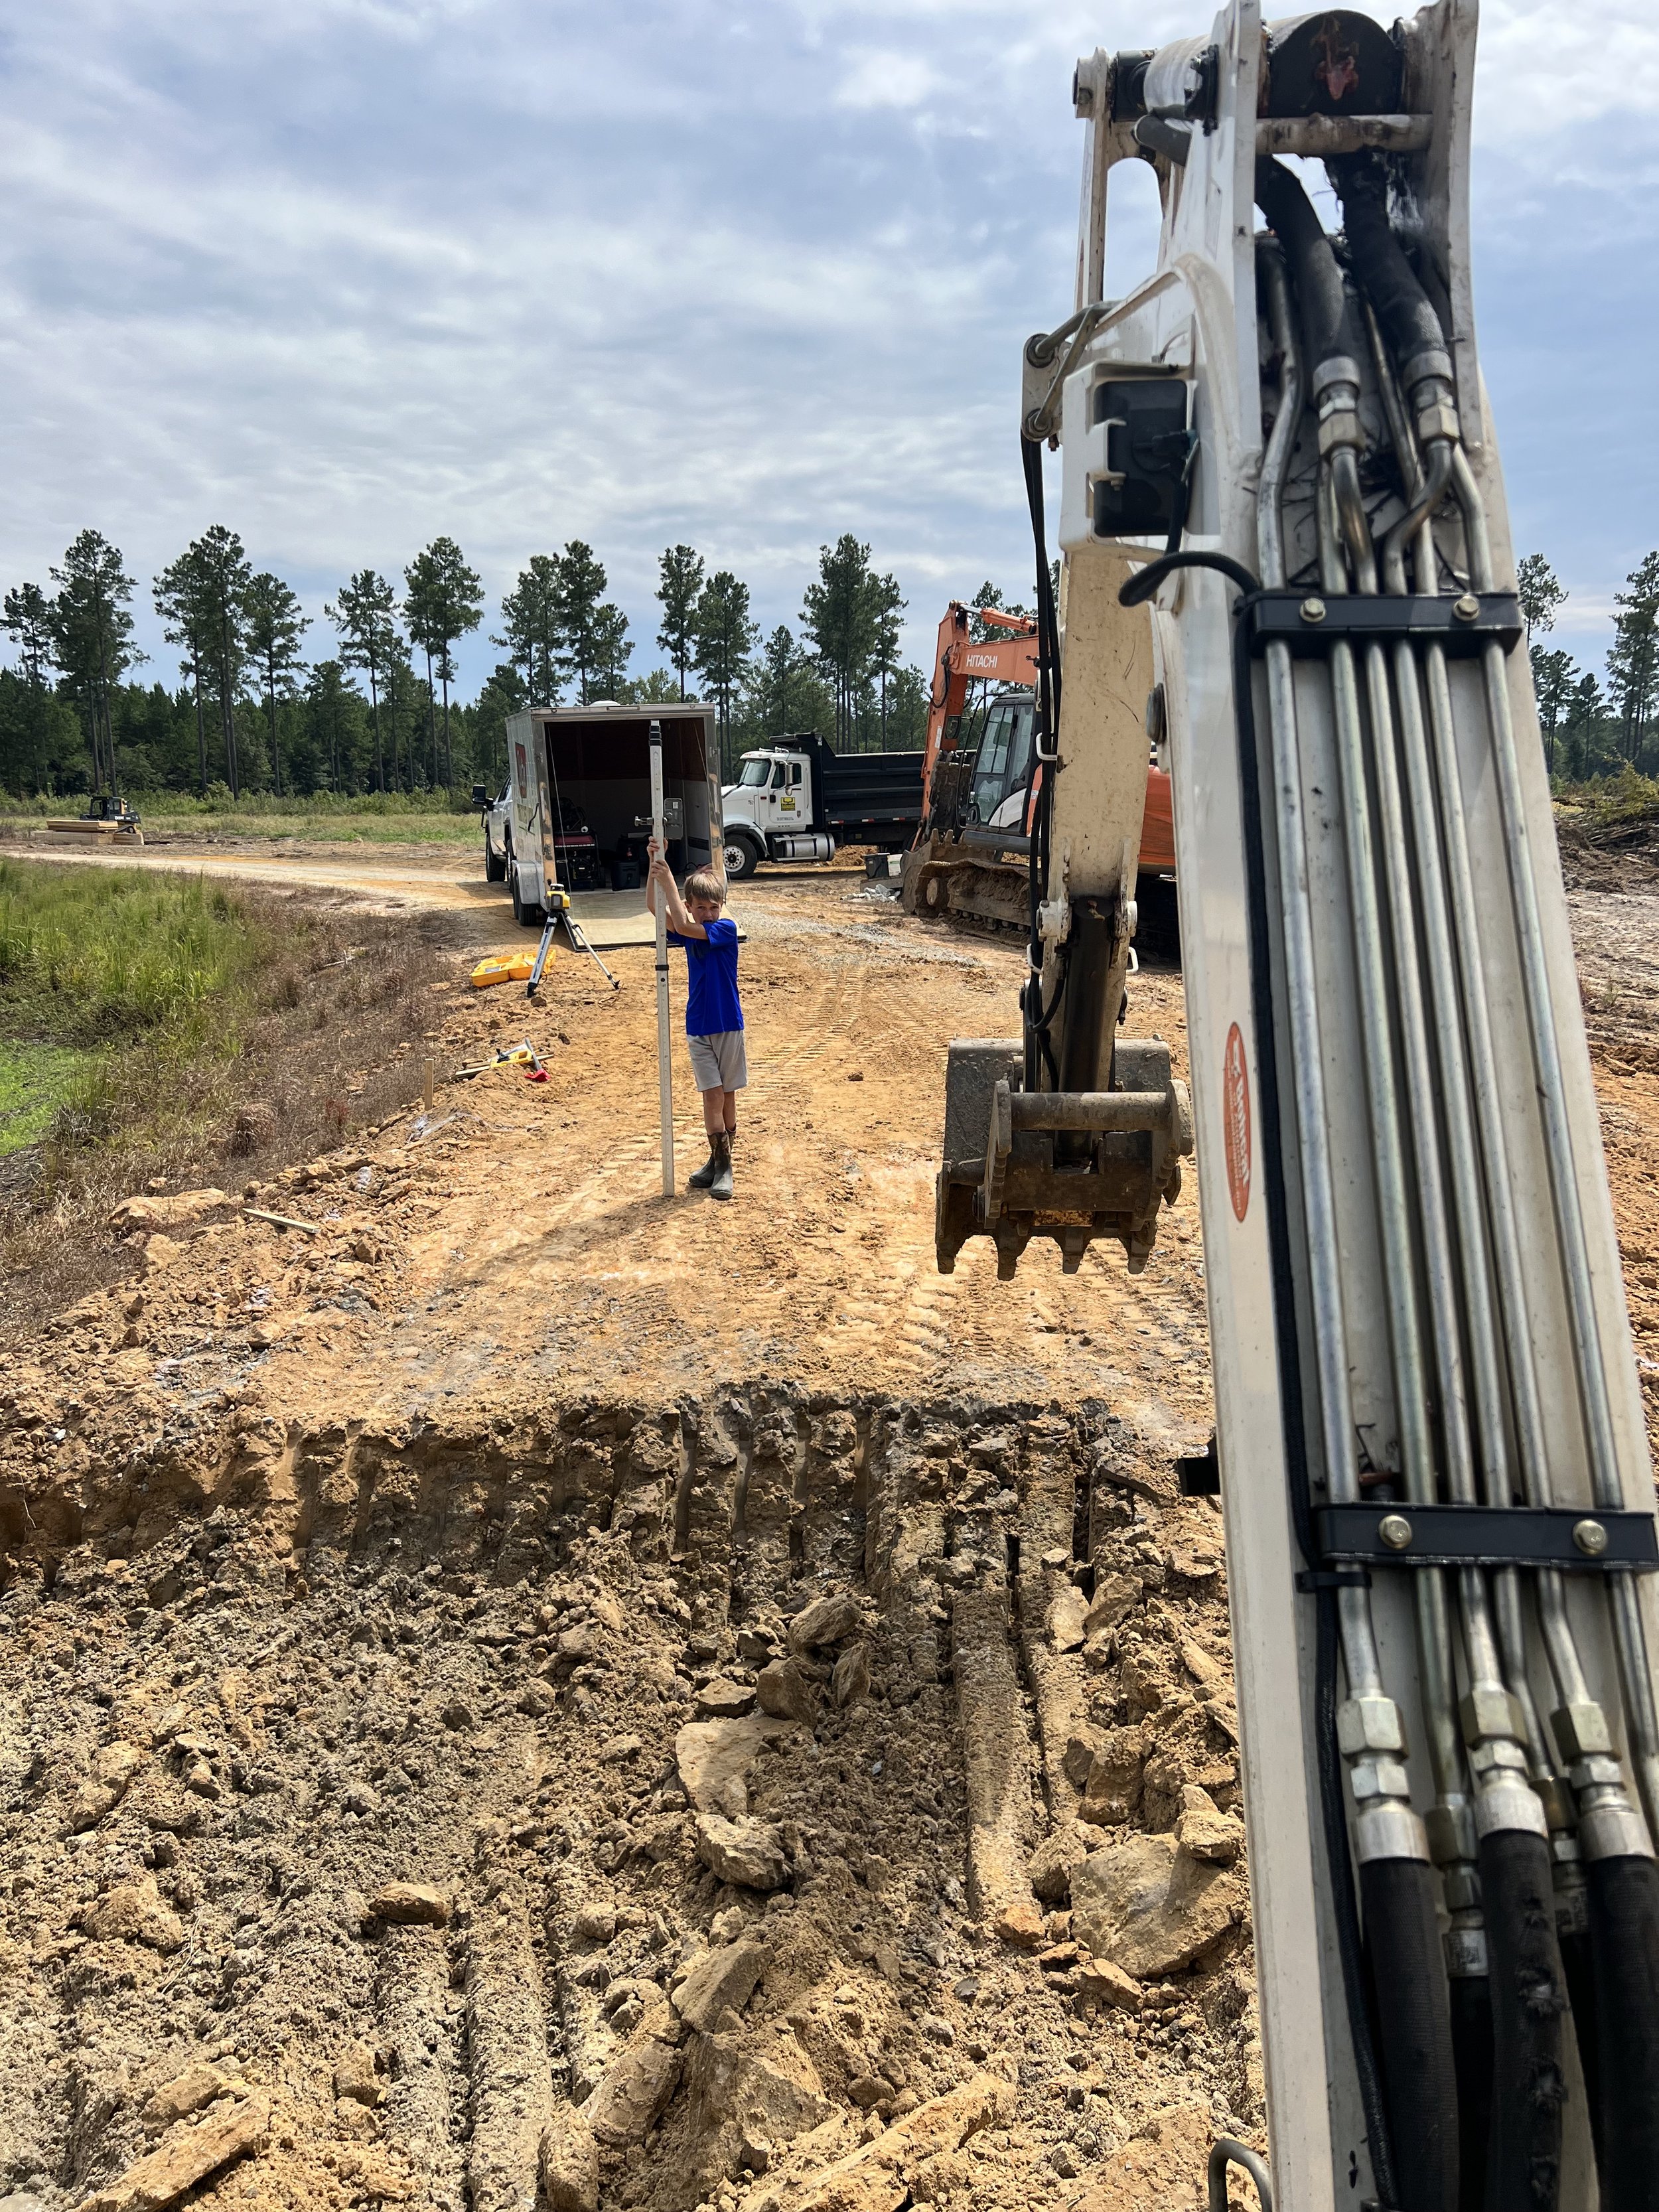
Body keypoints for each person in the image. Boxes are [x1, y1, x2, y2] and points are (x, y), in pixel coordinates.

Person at [644, 841, 743, 1201]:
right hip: (698, 1025)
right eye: (700, 907)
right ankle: (717, 1161)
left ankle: (725, 1165)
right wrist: (654, 864)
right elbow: (655, 909)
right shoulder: (690, 930)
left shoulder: (725, 930)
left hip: (728, 1023)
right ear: (689, 906)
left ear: (722, 908)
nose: (708, 913)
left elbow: (685, 927)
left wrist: (669, 873)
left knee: (727, 1094)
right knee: (711, 1094)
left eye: (713, 907)